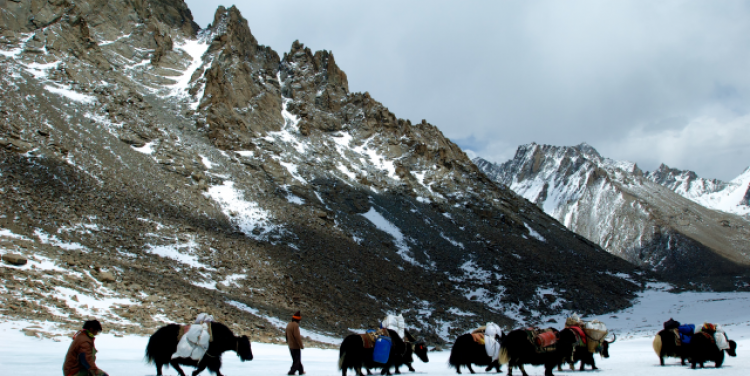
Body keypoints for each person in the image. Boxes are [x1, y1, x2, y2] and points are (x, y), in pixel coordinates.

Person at [286, 311, 305, 375]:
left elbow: (286, 334)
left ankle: (301, 371)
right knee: (296, 361)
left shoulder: (289, 324)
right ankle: (291, 372)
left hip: (290, 345)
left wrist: (288, 342)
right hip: (295, 346)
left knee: (296, 359)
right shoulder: (295, 325)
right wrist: (301, 345)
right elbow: (297, 336)